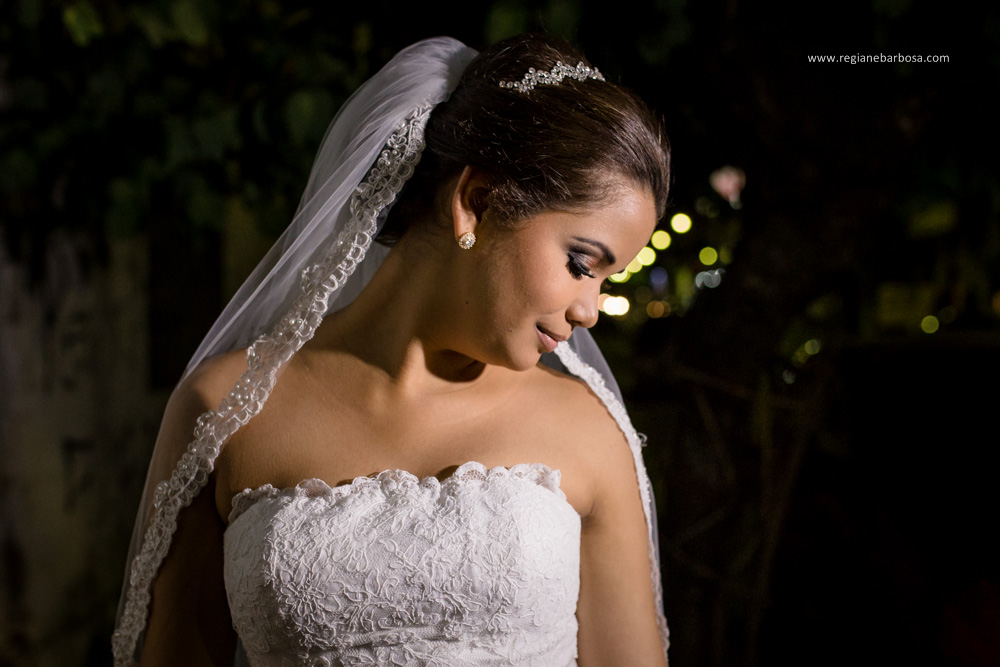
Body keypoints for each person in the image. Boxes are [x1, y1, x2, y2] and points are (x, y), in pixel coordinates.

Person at [113, 34, 671, 666]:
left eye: (606, 280)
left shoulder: (587, 431)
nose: (590, 309)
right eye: (580, 263)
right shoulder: (227, 411)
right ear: (476, 201)